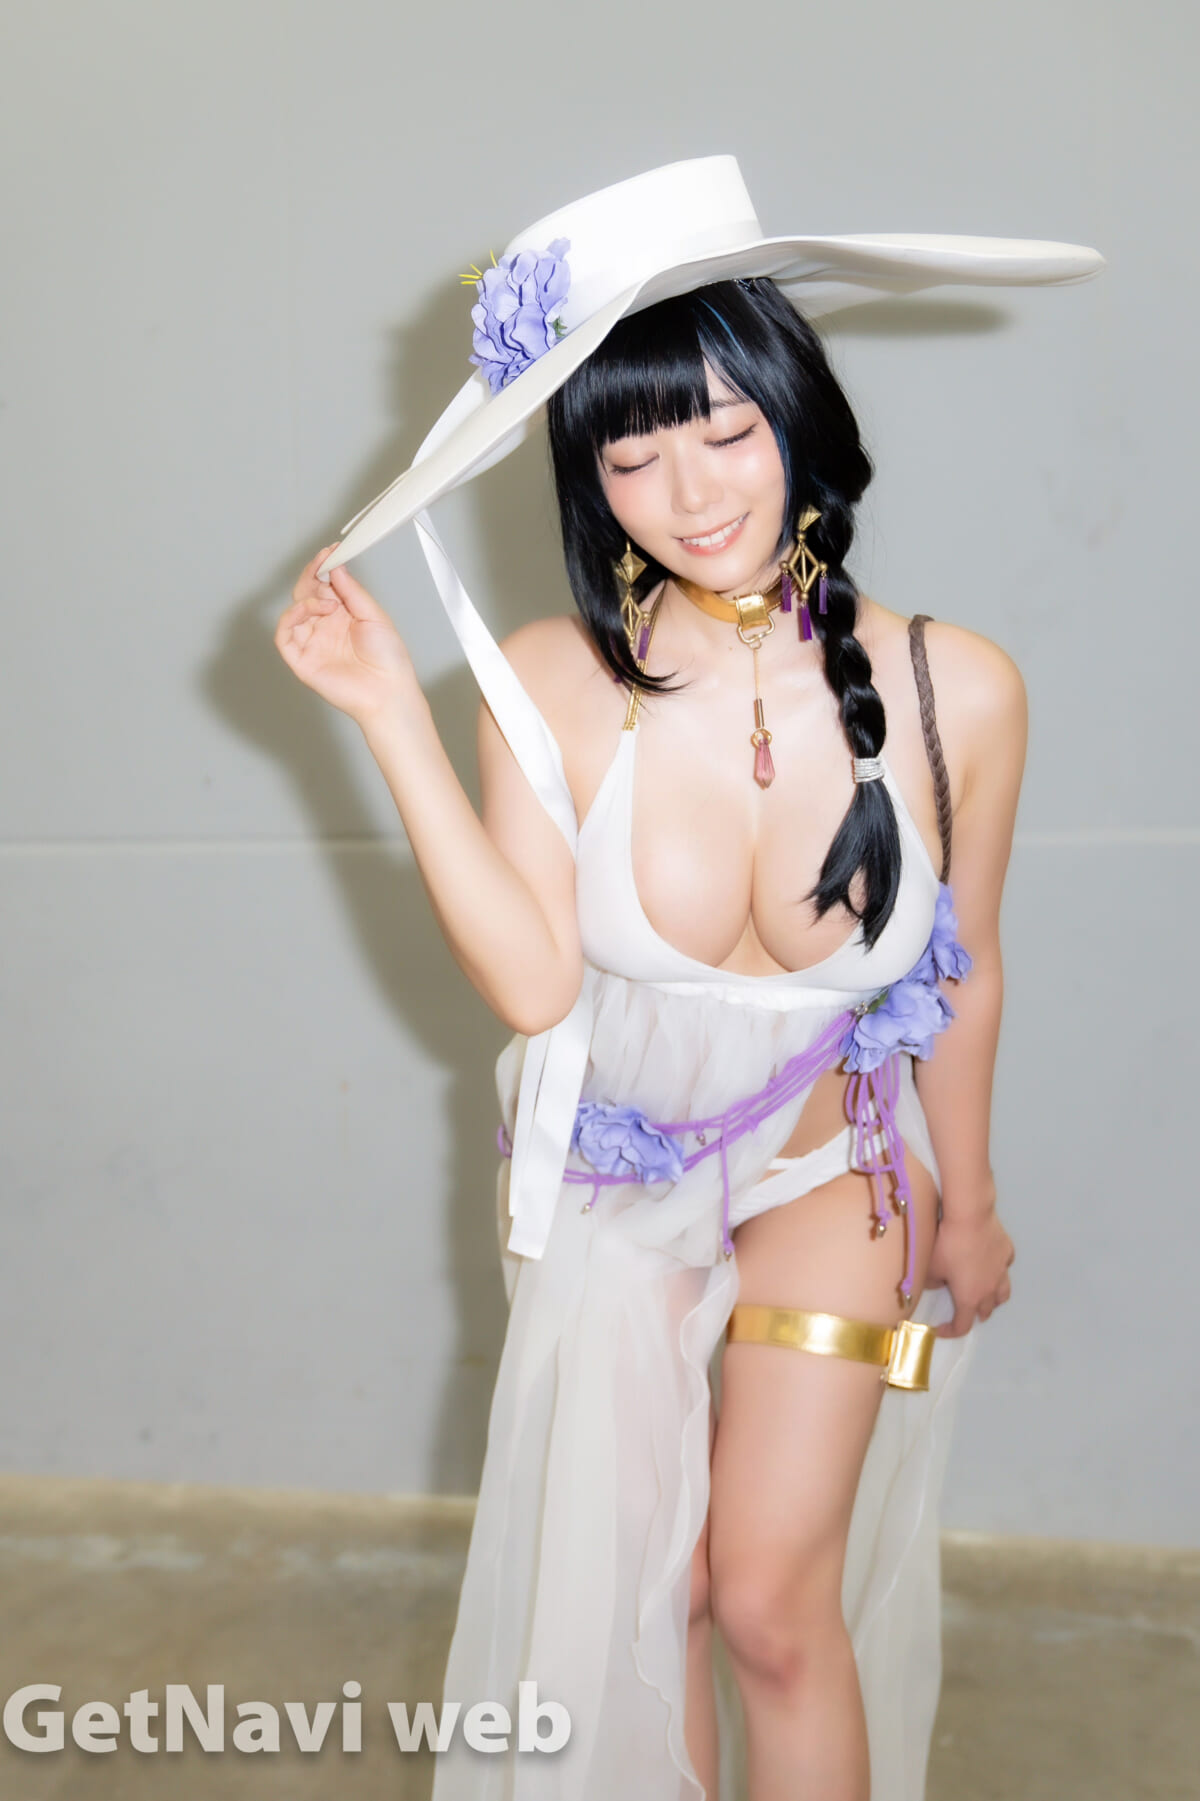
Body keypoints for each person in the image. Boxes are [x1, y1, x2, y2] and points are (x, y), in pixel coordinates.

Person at [273, 161, 1103, 1800]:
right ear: (587, 476)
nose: (689, 490)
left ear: (799, 413)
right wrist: (388, 718)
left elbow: (972, 964)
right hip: (614, 1180)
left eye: (724, 430)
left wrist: (976, 1195)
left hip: (837, 1167)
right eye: (631, 453)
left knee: (772, 1607)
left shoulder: (957, 687)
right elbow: (532, 985)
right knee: (635, 1615)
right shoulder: (553, 678)